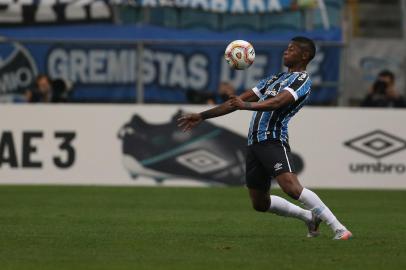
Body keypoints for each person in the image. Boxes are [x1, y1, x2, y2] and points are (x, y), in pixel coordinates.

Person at [178, 36, 352, 240]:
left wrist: (247, 106)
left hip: (273, 139)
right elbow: (236, 102)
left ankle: (339, 228)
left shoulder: (302, 80)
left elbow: (277, 102)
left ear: (305, 55)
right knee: (260, 203)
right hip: (254, 144)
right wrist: (202, 116)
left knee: (291, 187)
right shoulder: (274, 79)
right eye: (286, 48)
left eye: (292, 49)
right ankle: (309, 217)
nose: (286, 52)